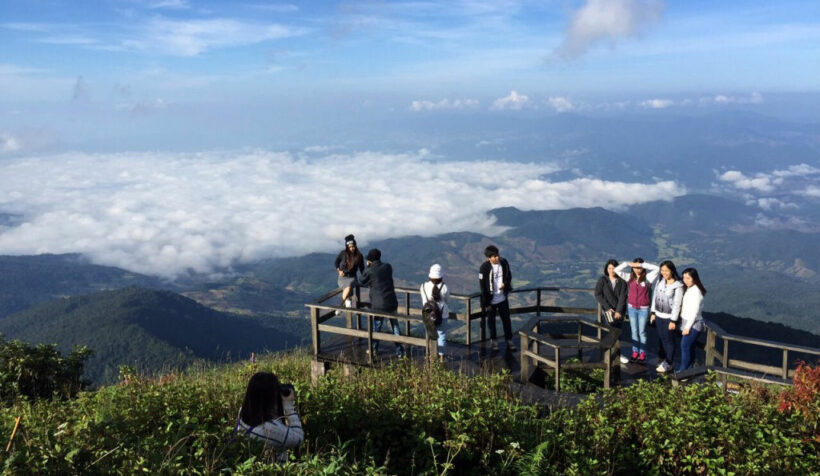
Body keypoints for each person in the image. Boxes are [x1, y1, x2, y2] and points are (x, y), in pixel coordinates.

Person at [237, 372, 304, 463]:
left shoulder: (243, 412)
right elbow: (299, 438)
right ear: (271, 397)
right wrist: (288, 406)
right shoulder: (270, 428)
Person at [358, 248, 402, 357]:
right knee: (395, 326)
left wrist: (368, 267)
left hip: (379, 305)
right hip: (391, 301)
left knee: (377, 327)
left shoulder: (370, 270)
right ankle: (400, 351)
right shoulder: (388, 267)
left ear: (370, 260)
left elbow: (361, 280)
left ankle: (374, 349)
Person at [614, 258, 659, 364]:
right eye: (635, 267)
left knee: (642, 332)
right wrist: (628, 263)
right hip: (632, 308)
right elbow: (617, 270)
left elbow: (657, 268)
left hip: (644, 309)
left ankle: (642, 353)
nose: (637, 269)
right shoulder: (629, 277)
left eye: (639, 268)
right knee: (634, 332)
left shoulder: (648, 278)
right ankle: (635, 352)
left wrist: (643, 264)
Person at [478, 245, 516, 351]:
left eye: (497, 255)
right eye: (493, 256)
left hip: (502, 298)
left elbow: (509, 276)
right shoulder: (484, 268)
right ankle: (494, 341)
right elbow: (482, 286)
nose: (496, 258)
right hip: (491, 300)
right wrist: (486, 302)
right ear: (488, 258)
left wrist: (506, 283)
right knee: (491, 321)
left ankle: (509, 340)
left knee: (506, 320)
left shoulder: (504, 263)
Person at [649, 260, 684, 373]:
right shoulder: (660, 281)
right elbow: (655, 297)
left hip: (669, 317)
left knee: (669, 340)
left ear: (672, 271)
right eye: (662, 270)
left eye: (666, 270)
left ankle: (669, 363)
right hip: (659, 315)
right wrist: (653, 313)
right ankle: (664, 359)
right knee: (662, 338)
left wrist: (673, 320)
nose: (664, 272)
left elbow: (677, 304)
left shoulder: (678, 286)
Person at [594, 259, 629, 364]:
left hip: (620, 310)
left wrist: (618, 311)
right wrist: (608, 308)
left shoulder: (622, 281)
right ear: (606, 269)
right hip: (608, 310)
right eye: (609, 268)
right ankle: (611, 352)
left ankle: (616, 353)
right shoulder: (603, 280)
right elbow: (598, 294)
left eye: (614, 268)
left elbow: (623, 297)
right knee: (612, 329)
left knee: (618, 331)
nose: (611, 270)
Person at [678, 268, 706, 373]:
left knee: (685, 346)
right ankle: (689, 369)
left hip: (693, 324)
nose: (685, 280)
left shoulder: (696, 292)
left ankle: (683, 371)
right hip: (687, 322)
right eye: (684, 278)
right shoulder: (690, 288)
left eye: (688, 278)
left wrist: (687, 327)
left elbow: (694, 312)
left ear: (694, 278)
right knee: (690, 347)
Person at [420, 263, 448, 362]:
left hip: (428, 315)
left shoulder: (423, 286)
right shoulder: (444, 287)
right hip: (442, 314)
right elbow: (447, 300)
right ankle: (441, 357)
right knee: (442, 334)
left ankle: (429, 354)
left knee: (429, 333)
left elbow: (424, 301)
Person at [334, 234, 364, 311]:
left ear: (355, 246)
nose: (351, 248)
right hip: (342, 277)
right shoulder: (343, 254)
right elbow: (336, 263)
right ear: (347, 247)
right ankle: (347, 301)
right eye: (350, 247)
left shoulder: (359, 256)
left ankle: (340, 306)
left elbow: (362, 269)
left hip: (352, 277)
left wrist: (366, 278)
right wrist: (339, 271)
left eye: (353, 246)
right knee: (348, 289)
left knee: (349, 286)